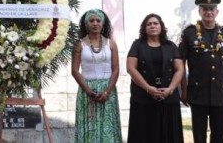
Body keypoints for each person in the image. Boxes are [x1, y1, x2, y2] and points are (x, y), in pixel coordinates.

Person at [179, 0, 223, 143]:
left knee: (219, 136)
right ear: (199, 11)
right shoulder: (190, 33)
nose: (208, 12)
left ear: (217, 12)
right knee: (199, 135)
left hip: (221, 91)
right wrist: (184, 90)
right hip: (198, 91)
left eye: (212, 9)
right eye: (205, 9)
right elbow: (181, 61)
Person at [126, 13, 184, 143]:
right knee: (143, 134)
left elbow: (180, 69)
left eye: (155, 23)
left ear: (161, 27)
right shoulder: (137, 45)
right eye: (149, 24)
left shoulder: (171, 46)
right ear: (144, 28)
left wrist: (171, 89)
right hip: (143, 97)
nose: (152, 26)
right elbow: (131, 68)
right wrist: (148, 88)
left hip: (168, 97)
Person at [71, 9, 121, 142]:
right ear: (86, 24)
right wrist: (90, 92)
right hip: (87, 90)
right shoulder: (79, 45)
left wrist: (107, 92)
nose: (95, 23)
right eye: (91, 20)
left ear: (103, 24)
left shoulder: (111, 44)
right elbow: (75, 71)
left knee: (108, 126)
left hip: (108, 90)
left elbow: (115, 70)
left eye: (98, 20)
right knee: (90, 126)